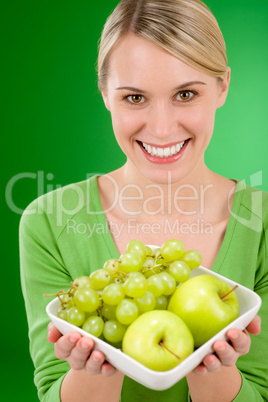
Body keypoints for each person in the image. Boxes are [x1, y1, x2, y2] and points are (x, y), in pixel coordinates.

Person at [19, 0, 268, 401]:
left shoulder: (263, 225)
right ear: (104, 93)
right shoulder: (48, 222)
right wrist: (94, 370)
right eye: (135, 98)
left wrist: (213, 373)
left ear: (223, 86)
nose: (163, 128)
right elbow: (51, 391)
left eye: (186, 93)